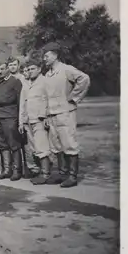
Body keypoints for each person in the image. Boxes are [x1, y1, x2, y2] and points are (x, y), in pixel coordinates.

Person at [42, 42, 90, 188]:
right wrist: (45, 115)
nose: (44, 59)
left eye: (46, 55)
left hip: (65, 113)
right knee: (56, 145)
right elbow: (46, 96)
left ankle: (72, 176)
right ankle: (62, 174)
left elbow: (84, 79)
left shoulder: (66, 69)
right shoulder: (48, 74)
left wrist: (74, 98)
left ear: (55, 55)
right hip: (52, 114)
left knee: (69, 144)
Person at [19, 51, 52, 185]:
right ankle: (38, 171)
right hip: (28, 121)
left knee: (41, 146)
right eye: (28, 69)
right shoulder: (26, 84)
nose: (30, 71)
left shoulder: (45, 82)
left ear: (39, 69)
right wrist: (21, 121)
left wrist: (47, 115)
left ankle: (45, 173)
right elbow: (22, 103)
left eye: (33, 69)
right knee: (32, 147)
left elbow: (50, 100)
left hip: (40, 120)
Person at [8, 56, 39, 178]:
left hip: (25, 114)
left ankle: (31, 167)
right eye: (10, 65)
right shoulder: (7, 79)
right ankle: (18, 167)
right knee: (16, 142)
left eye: (14, 65)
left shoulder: (24, 79)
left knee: (28, 142)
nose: (12, 67)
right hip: (13, 114)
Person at [0, 59, 23, 181]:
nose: (0, 71)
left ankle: (17, 170)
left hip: (10, 116)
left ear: (7, 69)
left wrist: (20, 119)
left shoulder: (15, 82)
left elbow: (20, 101)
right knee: (2, 144)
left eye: (2, 69)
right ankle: (6, 170)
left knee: (14, 144)